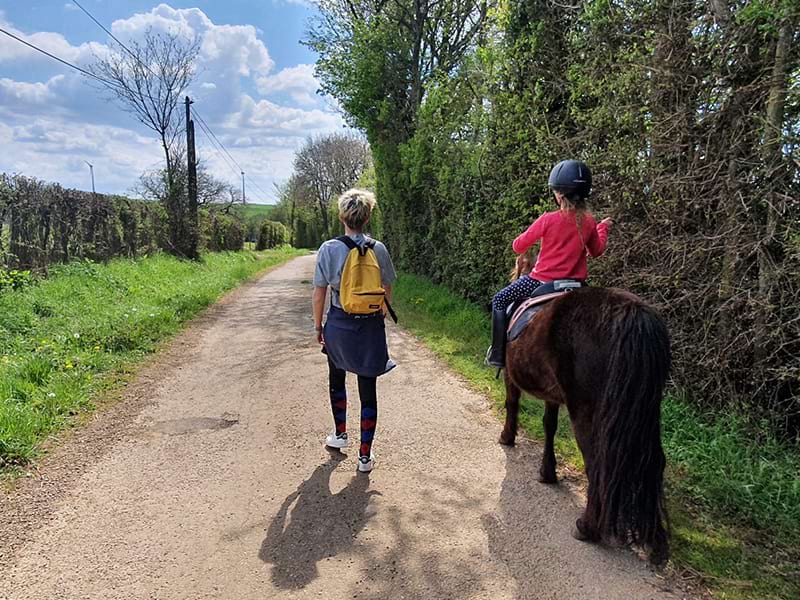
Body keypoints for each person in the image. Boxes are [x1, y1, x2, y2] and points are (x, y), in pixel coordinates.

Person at [485, 159, 613, 368]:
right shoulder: (589, 222)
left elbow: (517, 246)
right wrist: (602, 228)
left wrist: (528, 238)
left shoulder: (548, 220)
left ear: (560, 195)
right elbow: (597, 251)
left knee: (499, 300)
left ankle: (498, 355)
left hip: (540, 282)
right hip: (577, 286)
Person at [312, 189, 397, 473]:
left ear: (342, 217)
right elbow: (387, 288)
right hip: (369, 326)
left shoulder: (328, 249)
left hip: (338, 322)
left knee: (337, 378)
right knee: (368, 388)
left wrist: (318, 326)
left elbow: (319, 292)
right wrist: (379, 314)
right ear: (368, 216)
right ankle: (364, 456)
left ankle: (339, 435)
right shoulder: (379, 248)